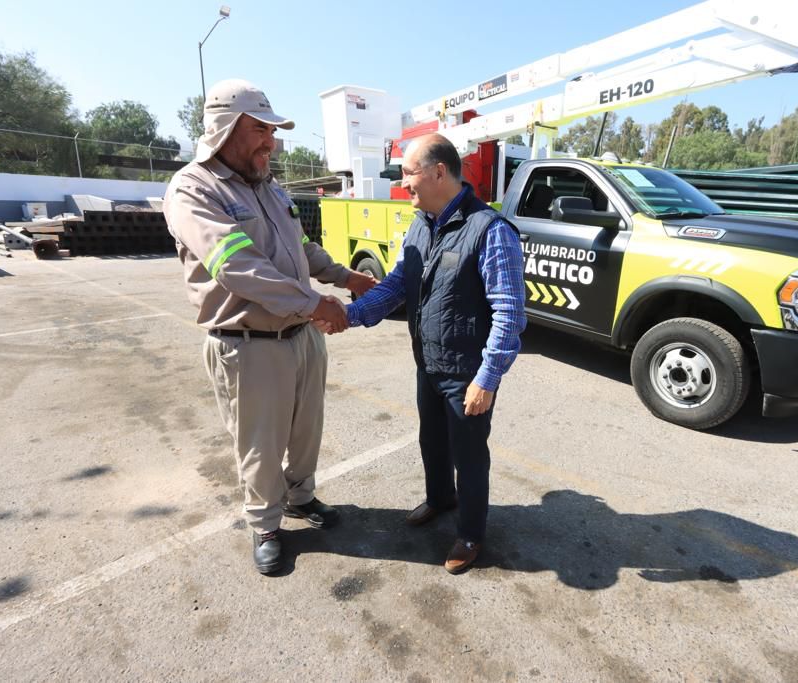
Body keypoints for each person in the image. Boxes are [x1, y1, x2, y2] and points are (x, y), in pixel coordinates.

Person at [162, 79, 376, 574]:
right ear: (224, 128)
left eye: (272, 131)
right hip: (249, 345)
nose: (271, 142)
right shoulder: (194, 189)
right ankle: (265, 524)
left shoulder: (269, 187)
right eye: (260, 129)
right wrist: (315, 303)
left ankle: (301, 497)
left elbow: (300, 250)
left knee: (306, 431)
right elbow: (238, 267)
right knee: (260, 443)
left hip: (300, 337)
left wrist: (346, 278)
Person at [344, 133, 526, 574]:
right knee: (432, 441)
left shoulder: (490, 231)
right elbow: (394, 285)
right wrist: (350, 315)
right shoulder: (420, 223)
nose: (402, 182)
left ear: (438, 172)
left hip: (467, 371)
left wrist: (488, 377)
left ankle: (470, 532)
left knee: (469, 455)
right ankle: (441, 499)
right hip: (428, 361)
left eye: (408, 173)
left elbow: (509, 312)